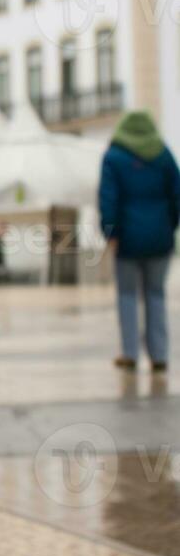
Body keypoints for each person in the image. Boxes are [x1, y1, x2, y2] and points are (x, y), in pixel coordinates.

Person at [98, 110, 180, 373]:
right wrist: (170, 225)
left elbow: (108, 199)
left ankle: (130, 352)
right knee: (156, 294)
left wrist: (110, 233)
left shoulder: (113, 157)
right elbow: (177, 194)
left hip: (127, 240)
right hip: (159, 237)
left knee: (127, 295)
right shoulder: (164, 154)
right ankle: (159, 354)